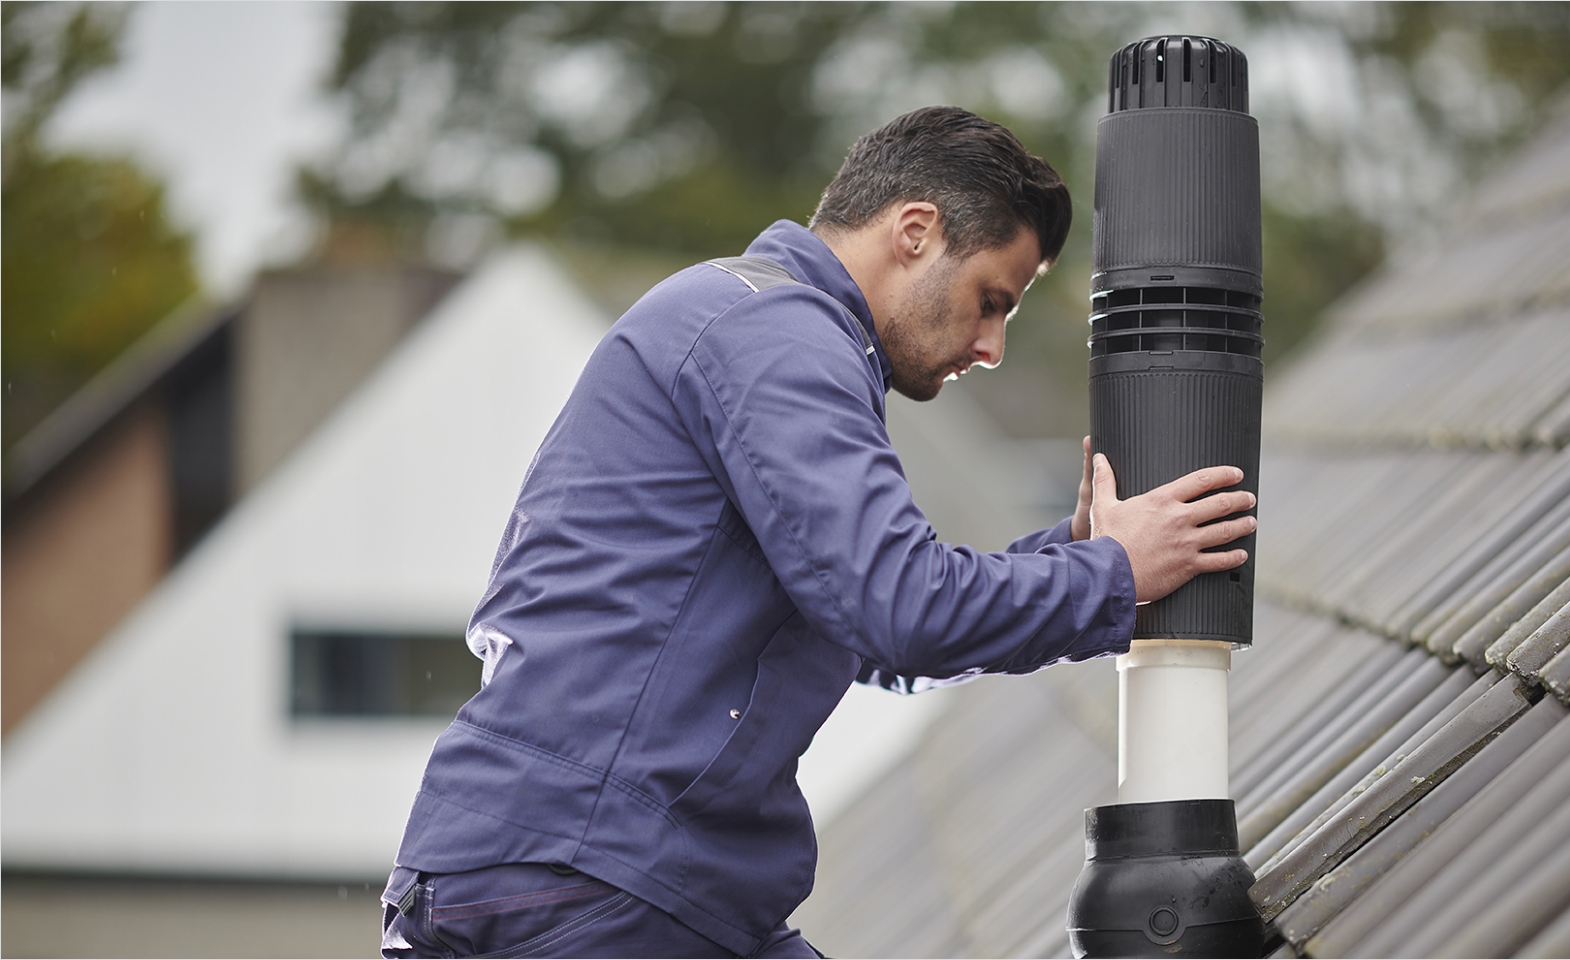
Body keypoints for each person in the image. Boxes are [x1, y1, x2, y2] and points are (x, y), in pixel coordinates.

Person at [379, 105, 1256, 959]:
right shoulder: (777, 334)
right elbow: (902, 610)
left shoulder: (759, 325)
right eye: (990, 300)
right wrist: (1115, 572)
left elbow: (864, 623)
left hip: (596, 873)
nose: (991, 346)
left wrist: (1079, 554)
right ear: (915, 231)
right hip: (587, 878)